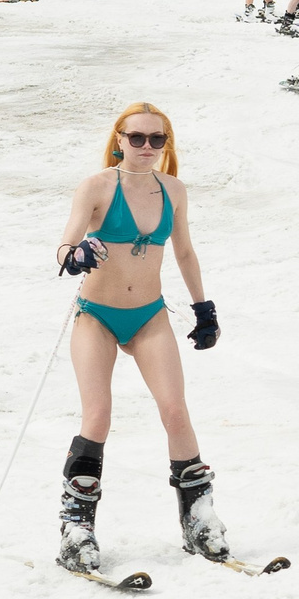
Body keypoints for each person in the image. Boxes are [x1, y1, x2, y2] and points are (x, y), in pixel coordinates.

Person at [49, 103, 230, 573]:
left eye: (157, 139)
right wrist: (77, 254)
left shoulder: (173, 190)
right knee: (99, 414)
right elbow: (65, 245)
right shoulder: (96, 187)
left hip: (149, 315)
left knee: (175, 410)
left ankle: (198, 517)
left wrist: (202, 306)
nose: (146, 147)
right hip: (97, 315)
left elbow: (185, 251)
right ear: (119, 139)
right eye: (137, 138)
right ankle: (76, 526)